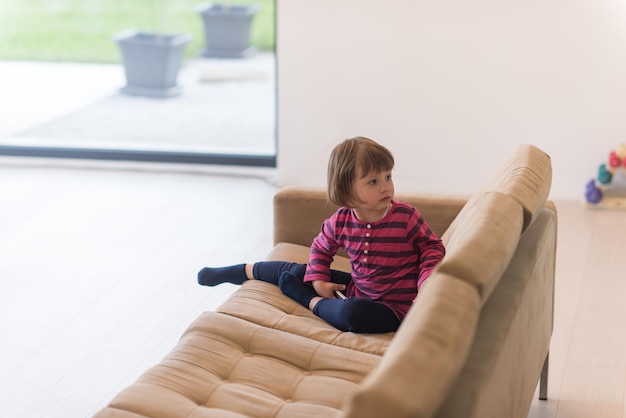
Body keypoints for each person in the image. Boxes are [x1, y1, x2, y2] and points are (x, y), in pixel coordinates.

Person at [198, 136, 445, 333]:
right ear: (347, 190)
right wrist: (319, 280)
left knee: (354, 315)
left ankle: (308, 301)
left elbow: (432, 247)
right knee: (298, 271)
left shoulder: (405, 216)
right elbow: (320, 249)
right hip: (358, 287)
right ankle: (241, 271)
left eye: (388, 177)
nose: (386, 186)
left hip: (395, 308)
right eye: (373, 181)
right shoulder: (341, 220)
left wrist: (427, 278)